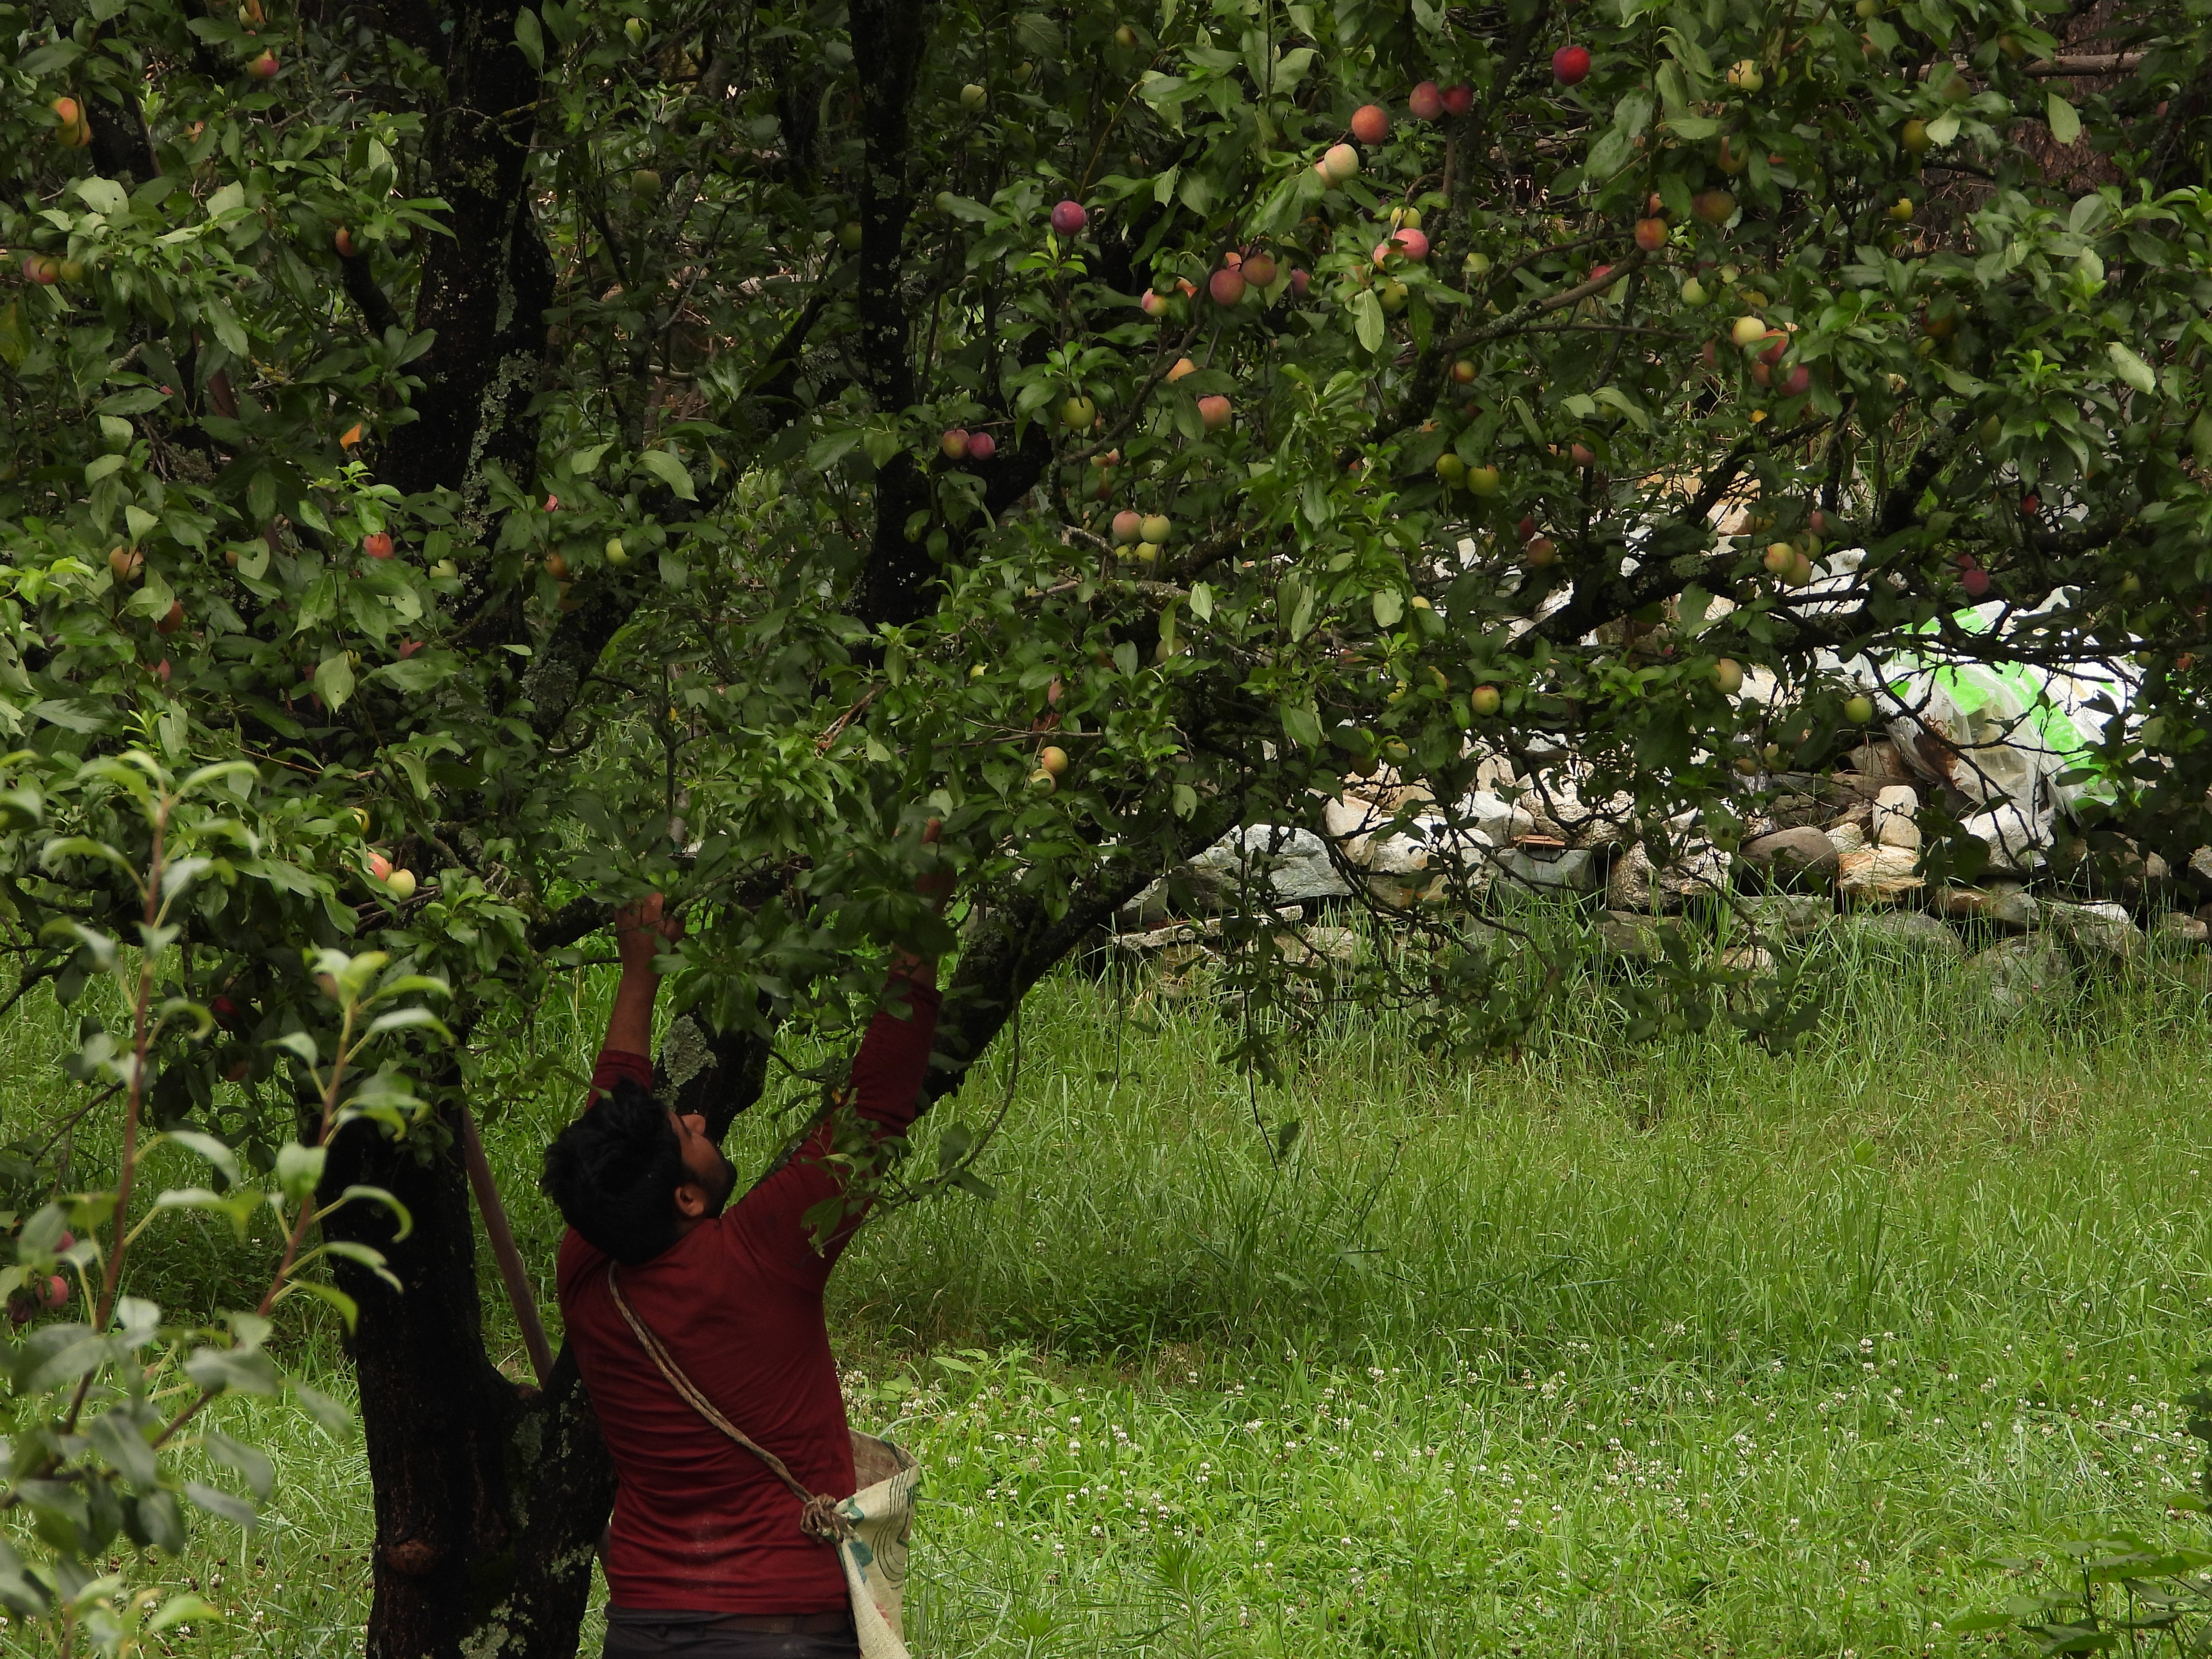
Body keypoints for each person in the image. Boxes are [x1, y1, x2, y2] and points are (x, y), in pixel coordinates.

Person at [542, 869, 945, 1659]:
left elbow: (609, 1126)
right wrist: (920, 909)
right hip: (781, 1633)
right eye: (688, 1134)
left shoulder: (588, 1263)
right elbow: (877, 1106)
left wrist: (637, 968)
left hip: (644, 1631)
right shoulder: (764, 1258)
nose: (698, 1118)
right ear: (688, 1198)